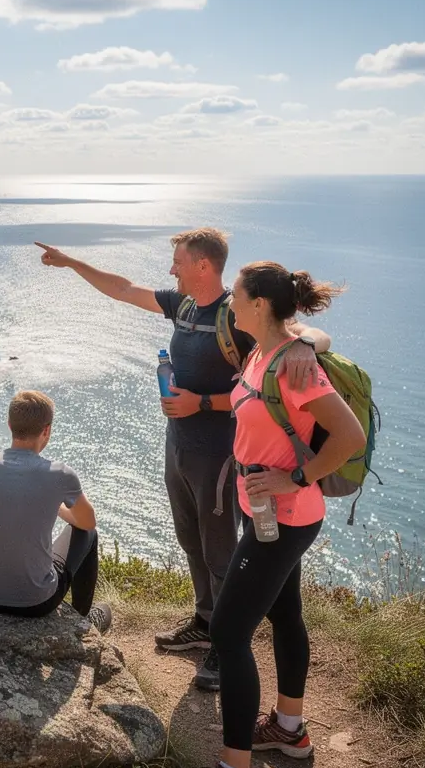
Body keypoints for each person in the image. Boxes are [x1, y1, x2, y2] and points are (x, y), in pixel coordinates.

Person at [36, 230, 330, 690]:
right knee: (189, 538)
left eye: (178, 261)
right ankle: (205, 619)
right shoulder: (185, 306)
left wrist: (302, 347)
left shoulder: (238, 316)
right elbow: (123, 288)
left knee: (220, 547)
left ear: (203, 266)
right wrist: (73, 262)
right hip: (179, 446)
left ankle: (227, 641)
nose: (171, 269)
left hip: (220, 454)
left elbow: (307, 335)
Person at [171, 262, 366, 768]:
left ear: (259, 305)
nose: (229, 302)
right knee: (285, 615)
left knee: (229, 634)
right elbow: (306, 336)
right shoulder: (264, 351)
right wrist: (303, 339)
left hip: (283, 515)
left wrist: (296, 479)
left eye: (238, 295)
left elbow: (349, 435)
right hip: (270, 516)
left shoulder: (294, 367)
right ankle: (289, 727)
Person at [0, 390, 112, 632]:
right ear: (47, 430)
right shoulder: (60, 475)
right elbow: (87, 521)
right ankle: (82, 624)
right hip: (36, 602)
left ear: (10, 425)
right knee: (89, 535)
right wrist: (57, 506)